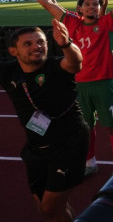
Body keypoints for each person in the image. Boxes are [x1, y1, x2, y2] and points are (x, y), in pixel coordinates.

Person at [12, 0, 113, 176]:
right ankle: (90, 162)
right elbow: (47, 3)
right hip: (79, 85)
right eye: (87, 4)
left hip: (104, 85)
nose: (92, 7)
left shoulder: (108, 24)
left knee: (112, 127)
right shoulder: (72, 23)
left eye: (96, 4)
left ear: (100, 8)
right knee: (85, 127)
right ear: (79, 9)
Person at [1, 23, 87, 222]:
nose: (36, 47)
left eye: (41, 42)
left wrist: (66, 44)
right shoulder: (8, 72)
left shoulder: (56, 67)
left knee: (51, 206)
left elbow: (75, 62)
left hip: (69, 144)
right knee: (46, 208)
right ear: (13, 51)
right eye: (28, 44)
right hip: (36, 146)